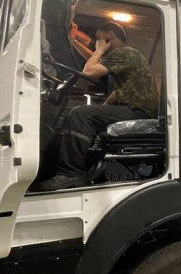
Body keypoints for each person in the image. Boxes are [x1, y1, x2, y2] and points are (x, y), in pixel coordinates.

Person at [36, 22, 158, 191]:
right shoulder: (125, 55)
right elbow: (117, 91)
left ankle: (71, 174)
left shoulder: (125, 53)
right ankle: (53, 170)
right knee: (78, 116)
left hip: (139, 112)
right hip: (137, 109)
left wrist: (100, 49)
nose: (96, 42)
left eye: (100, 38)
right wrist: (74, 41)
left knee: (80, 114)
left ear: (111, 36)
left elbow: (89, 70)